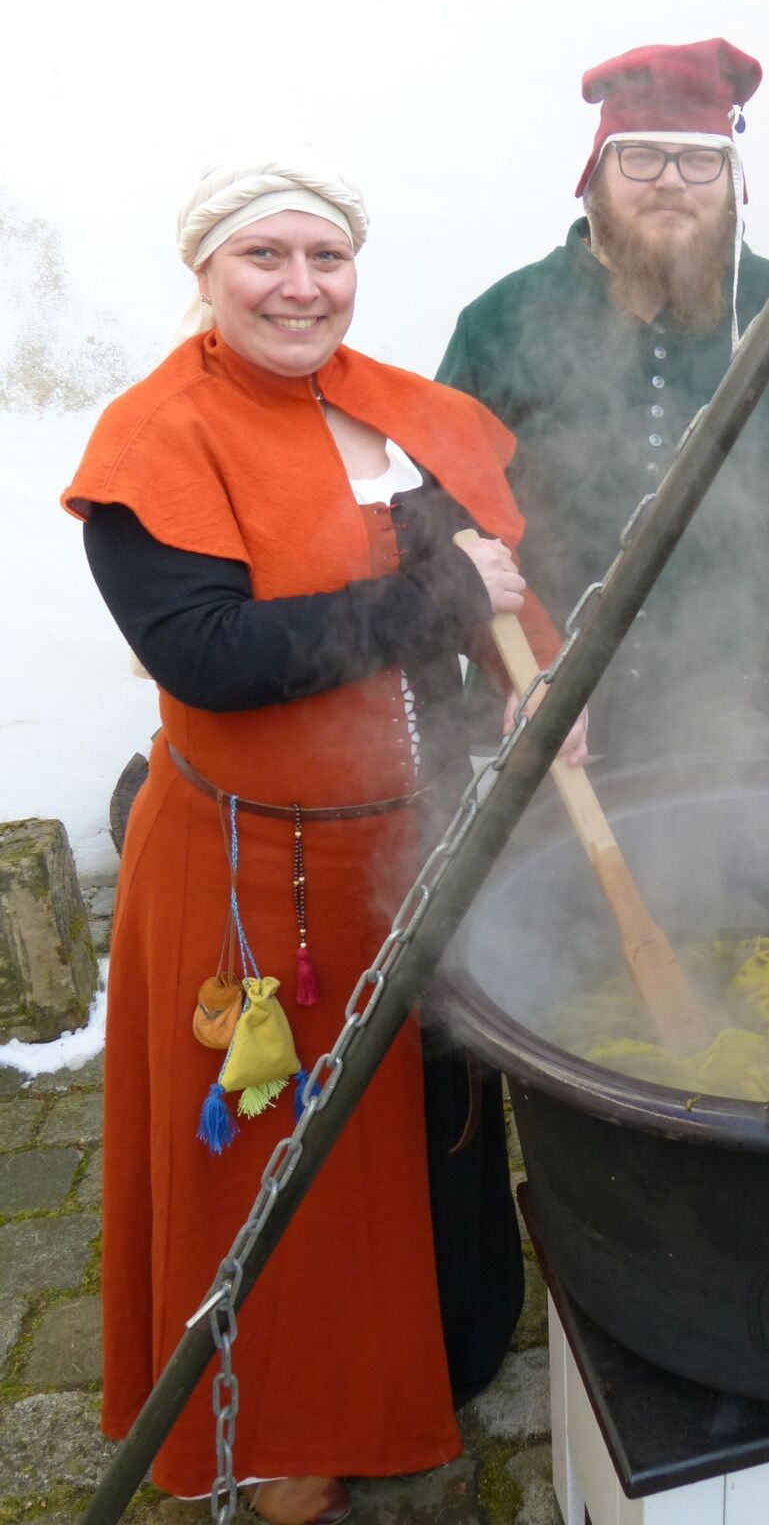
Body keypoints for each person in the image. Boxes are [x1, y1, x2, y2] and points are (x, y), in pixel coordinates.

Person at [63, 152, 580, 1523]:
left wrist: (546, 678)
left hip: (416, 842)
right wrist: (436, 595)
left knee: (431, 1124)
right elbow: (219, 656)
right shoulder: (150, 441)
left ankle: (436, 1361)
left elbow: (498, 574)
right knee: (272, 1153)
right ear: (207, 274)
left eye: (325, 258)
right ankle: (284, 1434)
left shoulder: (399, 414)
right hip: (253, 873)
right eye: (264, 258)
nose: (301, 286)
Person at [437, 39, 769, 762]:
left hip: (726, 716)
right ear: (595, 174)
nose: (671, 181)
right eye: (642, 157)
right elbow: (447, 524)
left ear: (731, 181)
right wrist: (516, 669)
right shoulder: (500, 322)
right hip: (544, 722)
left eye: (699, 160)